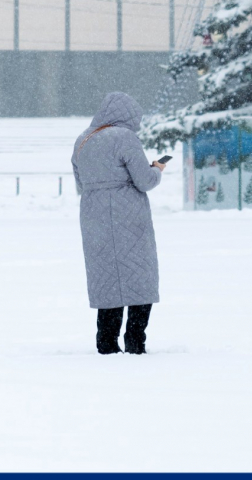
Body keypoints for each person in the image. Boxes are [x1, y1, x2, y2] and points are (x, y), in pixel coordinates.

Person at [71, 92, 166, 355]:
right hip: (129, 214)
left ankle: (106, 343)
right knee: (140, 274)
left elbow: (80, 182)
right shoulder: (124, 137)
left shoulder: (83, 139)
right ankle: (135, 341)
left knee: (106, 279)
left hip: (93, 214)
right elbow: (144, 181)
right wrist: (157, 168)